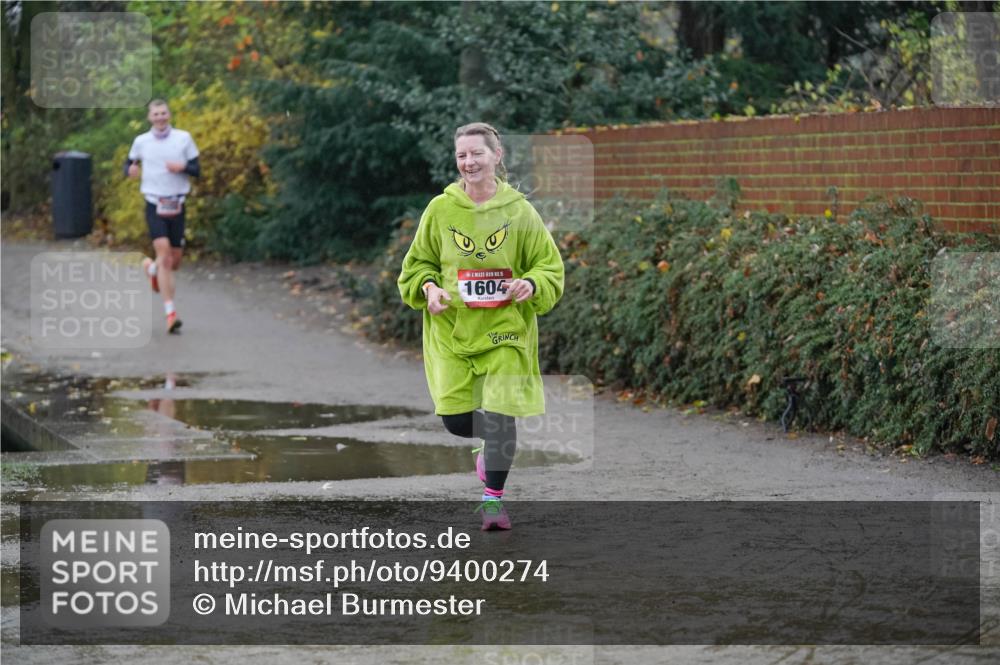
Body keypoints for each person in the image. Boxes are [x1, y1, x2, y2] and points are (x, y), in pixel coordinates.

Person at [398, 122, 564, 530]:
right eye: (462, 155)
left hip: (505, 329)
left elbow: (549, 266)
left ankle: (493, 503)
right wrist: (429, 288)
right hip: (452, 331)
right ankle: (490, 452)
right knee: (456, 421)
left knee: (502, 414)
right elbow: (417, 265)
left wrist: (532, 283)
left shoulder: (519, 210)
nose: (469, 162)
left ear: (497, 156)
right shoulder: (441, 209)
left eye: (477, 153)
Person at [125, 99, 200, 333]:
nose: (160, 117)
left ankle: (152, 269)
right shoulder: (141, 141)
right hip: (154, 202)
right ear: (150, 118)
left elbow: (197, 169)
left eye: (163, 113)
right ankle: (170, 313)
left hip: (177, 203)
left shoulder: (183, 138)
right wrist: (130, 170)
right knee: (165, 255)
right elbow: (129, 164)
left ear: (169, 114)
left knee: (174, 262)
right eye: (155, 114)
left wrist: (182, 168)